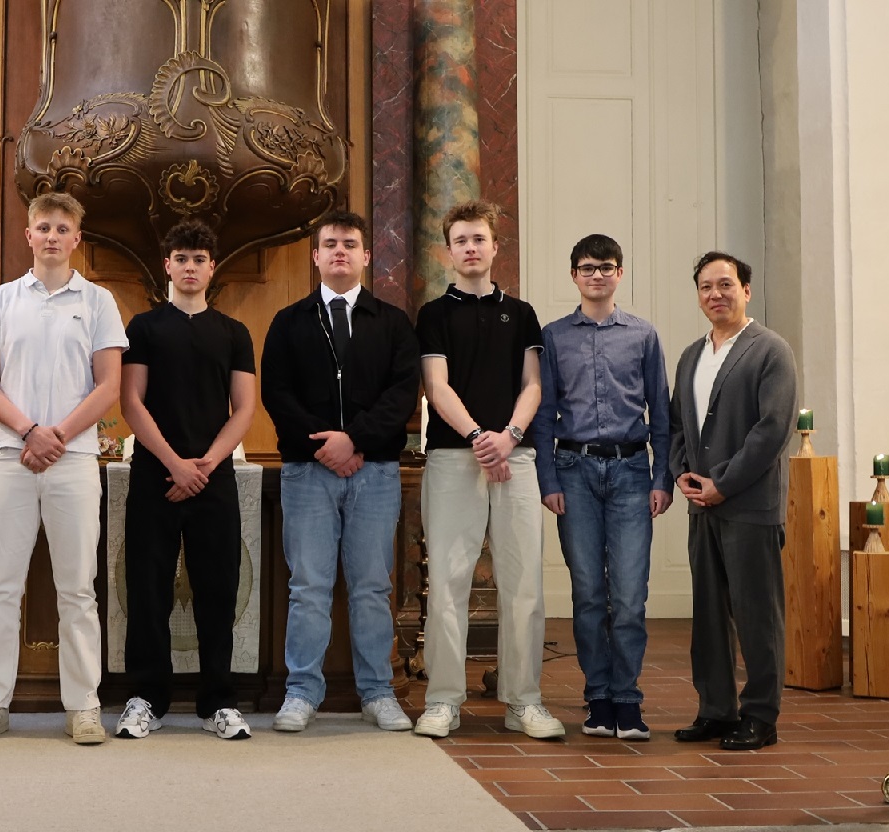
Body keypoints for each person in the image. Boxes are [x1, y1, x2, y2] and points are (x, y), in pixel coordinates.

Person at [0, 192, 126, 745]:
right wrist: (30, 430)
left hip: (73, 459)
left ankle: (83, 705)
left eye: (62, 228)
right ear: (28, 235)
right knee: (0, 587)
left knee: (77, 588)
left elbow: (109, 384)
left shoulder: (98, 300)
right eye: (43, 227)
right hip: (11, 456)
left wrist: (57, 435)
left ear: (77, 238)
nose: (52, 236)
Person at [261, 209, 418, 733]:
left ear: (366, 255)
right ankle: (301, 692)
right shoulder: (289, 321)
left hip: (375, 473)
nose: (340, 252)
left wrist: (357, 440)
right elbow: (277, 393)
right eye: (330, 244)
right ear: (316, 256)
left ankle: (378, 693)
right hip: (307, 472)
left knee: (372, 587)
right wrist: (327, 445)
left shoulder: (392, 322)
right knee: (308, 586)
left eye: (350, 244)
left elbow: (402, 393)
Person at [412, 200, 561, 741]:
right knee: (448, 582)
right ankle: (443, 700)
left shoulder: (521, 313)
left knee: (524, 585)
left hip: (515, 458)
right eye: (461, 240)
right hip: (455, 458)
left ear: (496, 247)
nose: (471, 248)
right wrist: (478, 437)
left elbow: (533, 385)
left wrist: (509, 437)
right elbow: (437, 386)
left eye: (479, 238)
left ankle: (524, 702)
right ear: (448, 251)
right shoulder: (434, 315)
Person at [114, 220, 256, 741]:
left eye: (199, 259)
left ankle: (218, 700)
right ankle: (146, 698)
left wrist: (205, 465)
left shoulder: (234, 332)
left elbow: (245, 409)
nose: (190, 267)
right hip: (155, 473)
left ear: (212, 268)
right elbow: (131, 401)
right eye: (182, 258)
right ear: (167, 266)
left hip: (213, 476)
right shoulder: (143, 327)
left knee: (218, 589)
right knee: (147, 588)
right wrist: (175, 463)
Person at [530, 234, 672, 740]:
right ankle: (598, 696)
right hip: (573, 471)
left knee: (629, 595)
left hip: (632, 471)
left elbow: (662, 412)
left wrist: (662, 477)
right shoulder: (553, 337)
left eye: (606, 267)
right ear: (574, 275)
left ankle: (627, 698)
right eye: (587, 268)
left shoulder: (643, 335)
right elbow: (544, 415)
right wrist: (548, 479)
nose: (596, 275)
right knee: (589, 592)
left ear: (620, 273)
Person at [669, 251, 796, 751]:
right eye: (706, 286)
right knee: (708, 615)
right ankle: (716, 710)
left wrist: (721, 482)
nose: (715, 294)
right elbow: (677, 423)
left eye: (725, 284)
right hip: (702, 505)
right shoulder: (691, 356)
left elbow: (772, 431)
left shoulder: (770, 351)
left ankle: (761, 715)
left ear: (746, 290)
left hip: (749, 505)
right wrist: (682, 473)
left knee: (756, 615)